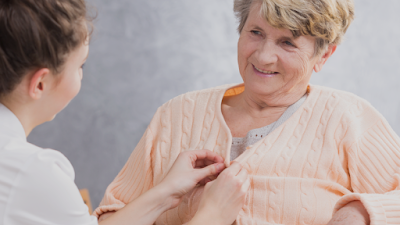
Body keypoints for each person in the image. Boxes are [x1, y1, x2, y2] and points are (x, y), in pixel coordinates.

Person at [96, 0, 400, 224]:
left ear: (324, 54)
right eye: (256, 32)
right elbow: (111, 217)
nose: (264, 56)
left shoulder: (350, 119)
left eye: (288, 42)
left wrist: (360, 212)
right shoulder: (176, 114)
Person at [0, 0, 250, 224]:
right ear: (40, 84)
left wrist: (167, 192)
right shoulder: (33, 172)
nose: (82, 75)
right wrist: (214, 214)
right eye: (80, 65)